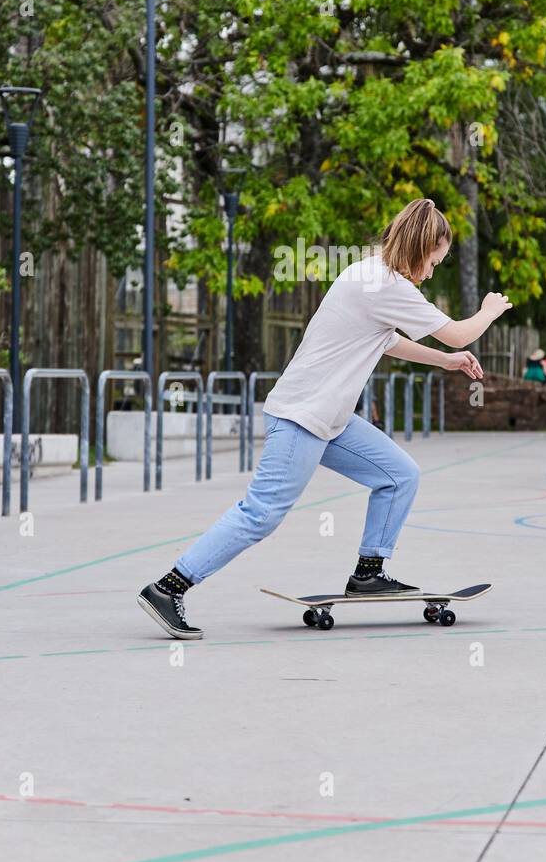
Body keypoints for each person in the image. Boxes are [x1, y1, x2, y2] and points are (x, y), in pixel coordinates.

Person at [138, 198, 513, 639]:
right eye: (433, 262)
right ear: (417, 248)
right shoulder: (388, 285)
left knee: (399, 475)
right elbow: (458, 333)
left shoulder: (367, 273)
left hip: (329, 420)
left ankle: (369, 572)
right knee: (261, 513)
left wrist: (445, 363)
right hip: (302, 418)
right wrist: (489, 310)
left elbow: (386, 341)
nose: (431, 273)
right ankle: (169, 586)